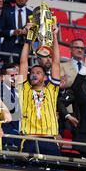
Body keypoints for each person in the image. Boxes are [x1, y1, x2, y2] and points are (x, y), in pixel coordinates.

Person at [18, 24, 61, 155]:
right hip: (29, 138)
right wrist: (28, 38)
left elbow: (56, 63)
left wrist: (54, 37)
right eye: (32, 72)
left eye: (38, 72)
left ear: (44, 77)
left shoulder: (52, 89)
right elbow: (23, 62)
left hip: (49, 139)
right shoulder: (24, 89)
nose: (34, 74)